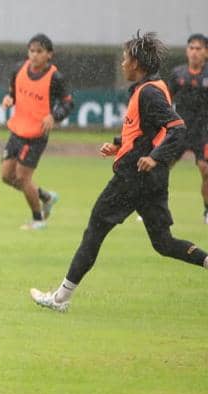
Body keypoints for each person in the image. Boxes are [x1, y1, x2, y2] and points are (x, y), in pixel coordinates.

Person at [31, 32, 207, 312]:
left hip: (132, 177)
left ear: (136, 62)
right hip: (151, 178)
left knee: (95, 230)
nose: (122, 63)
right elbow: (147, 131)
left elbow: (177, 127)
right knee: (163, 243)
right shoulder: (152, 86)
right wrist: (118, 145)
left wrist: (154, 157)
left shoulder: (148, 92)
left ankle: (60, 299)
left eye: (125, 58)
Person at [0, 33, 73, 230]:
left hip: (36, 135)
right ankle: (45, 197)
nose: (34, 55)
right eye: (31, 51)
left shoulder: (55, 78)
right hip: (17, 130)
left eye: (39, 51)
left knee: (23, 178)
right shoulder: (18, 69)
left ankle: (38, 220)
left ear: (49, 54)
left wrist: (54, 116)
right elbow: (13, 92)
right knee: (7, 176)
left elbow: (67, 103)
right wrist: (9, 98)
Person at [166, 32, 208, 224]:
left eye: (199, 49)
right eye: (191, 48)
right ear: (186, 51)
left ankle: (207, 210)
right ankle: (155, 207)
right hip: (179, 129)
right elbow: (166, 99)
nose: (194, 52)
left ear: (206, 52)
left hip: (204, 131)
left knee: (205, 169)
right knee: (163, 167)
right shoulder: (177, 74)